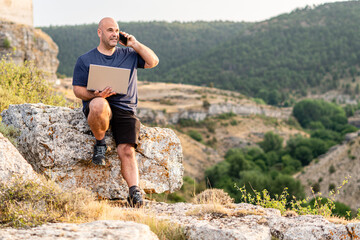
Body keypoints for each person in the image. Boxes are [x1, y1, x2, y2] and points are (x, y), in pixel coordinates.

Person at [72, 17, 159, 207]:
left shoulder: (129, 54)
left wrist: (134, 44)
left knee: (127, 150)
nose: (114, 34)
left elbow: (153, 61)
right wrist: (95, 94)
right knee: (98, 104)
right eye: (110, 30)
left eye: (117, 30)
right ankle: (100, 143)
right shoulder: (85, 59)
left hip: (125, 110)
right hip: (100, 105)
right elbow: (77, 89)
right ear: (99, 32)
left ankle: (134, 191)